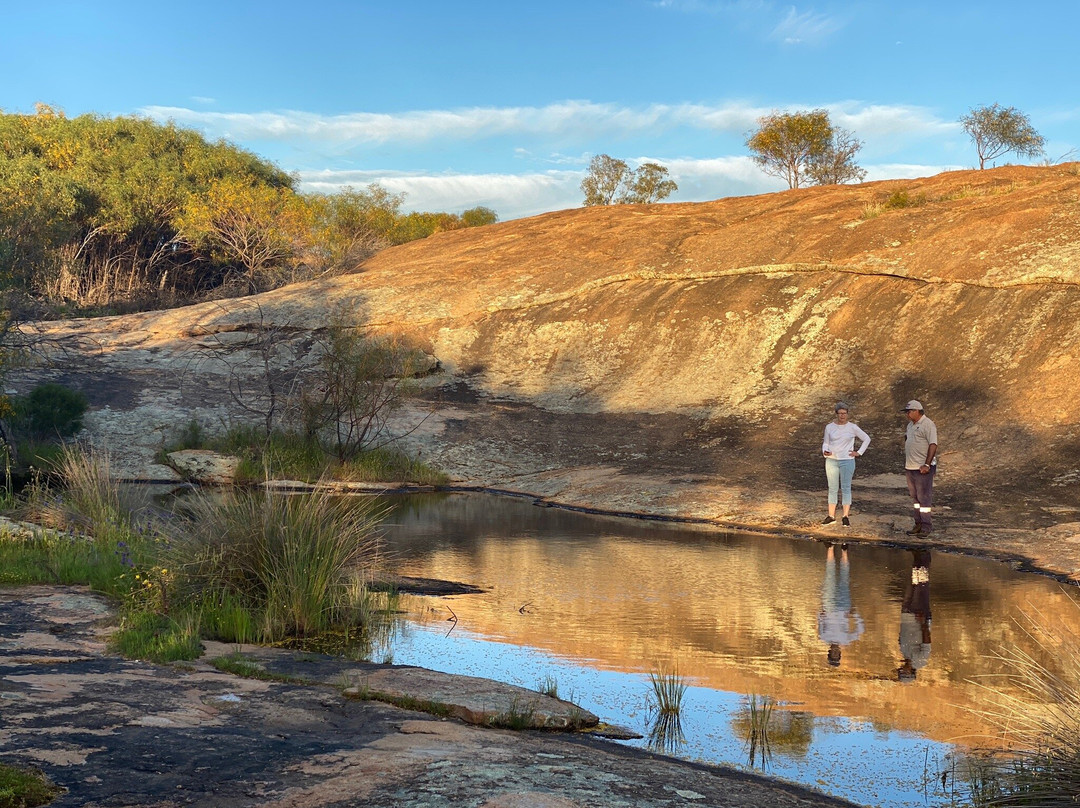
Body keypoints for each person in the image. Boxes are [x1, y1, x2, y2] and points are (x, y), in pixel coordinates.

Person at [821, 402, 871, 526]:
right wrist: (825, 451)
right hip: (832, 460)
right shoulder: (829, 427)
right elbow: (826, 442)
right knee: (832, 488)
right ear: (836, 414)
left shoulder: (852, 427)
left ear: (847, 414)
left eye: (845, 413)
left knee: (846, 487)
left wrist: (858, 452)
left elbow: (866, 438)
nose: (842, 416)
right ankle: (831, 515)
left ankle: (845, 516)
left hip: (847, 460)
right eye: (840, 413)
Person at [818, 542, 864, 667]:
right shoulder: (846, 640)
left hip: (828, 607)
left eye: (833, 654)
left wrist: (820, 613)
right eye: (836, 655)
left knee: (829, 577)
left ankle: (830, 547)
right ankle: (844, 550)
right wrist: (855, 615)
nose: (835, 651)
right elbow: (860, 630)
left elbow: (820, 622)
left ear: (829, 653)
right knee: (844, 578)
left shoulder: (823, 638)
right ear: (839, 654)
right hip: (844, 607)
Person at [902, 400, 938, 535]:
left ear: (917, 411)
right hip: (910, 466)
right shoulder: (911, 425)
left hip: (922, 468)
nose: (907, 414)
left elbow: (933, 444)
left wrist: (927, 464)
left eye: (909, 411)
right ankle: (917, 523)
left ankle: (926, 526)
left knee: (924, 497)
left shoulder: (928, 424)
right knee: (915, 497)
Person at [897, 548, 932, 682]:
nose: (901, 669)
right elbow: (927, 642)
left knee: (912, 584)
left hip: (907, 615)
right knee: (921, 586)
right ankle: (924, 558)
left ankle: (916, 558)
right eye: (903, 672)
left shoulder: (905, 655)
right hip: (919, 617)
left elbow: (903, 636)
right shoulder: (920, 661)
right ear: (910, 673)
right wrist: (923, 622)